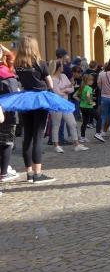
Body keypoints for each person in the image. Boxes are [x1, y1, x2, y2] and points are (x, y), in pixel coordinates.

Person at [15, 36, 56, 183]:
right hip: (39, 99)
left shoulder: (17, 64)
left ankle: (29, 173)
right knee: (38, 136)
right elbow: (50, 84)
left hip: (25, 99)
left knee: (27, 136)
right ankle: (38, 174)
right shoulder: (40, 63)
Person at [50, 61, 88, 153]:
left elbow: (72, 88)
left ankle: (76, 144)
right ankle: (56, 145)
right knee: (56, 125)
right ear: (58, 67)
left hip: (65, 103)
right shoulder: (52, 79)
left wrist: (64, 89)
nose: (63, 67)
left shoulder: (63, 76)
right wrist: (66, 89)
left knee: (72, 123)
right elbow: (57, 93)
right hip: (56, 104)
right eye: (62, 65)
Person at [0, 45, 20, 183]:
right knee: (7, 142)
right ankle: (4, 172)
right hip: (7, 113)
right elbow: (14, 97)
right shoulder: (7, 75)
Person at [78, 74, 96, 142]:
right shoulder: (89, 88)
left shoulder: (82, 87)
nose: (93, 82)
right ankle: (98, 133)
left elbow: (74, 95)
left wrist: (81, 100)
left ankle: (82, 137)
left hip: (82, 106)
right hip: (88, 107)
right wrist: (90, 102)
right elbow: (88, 96)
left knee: (84, 122)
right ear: (88, 81)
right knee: (98, 118)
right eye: (92, 80)